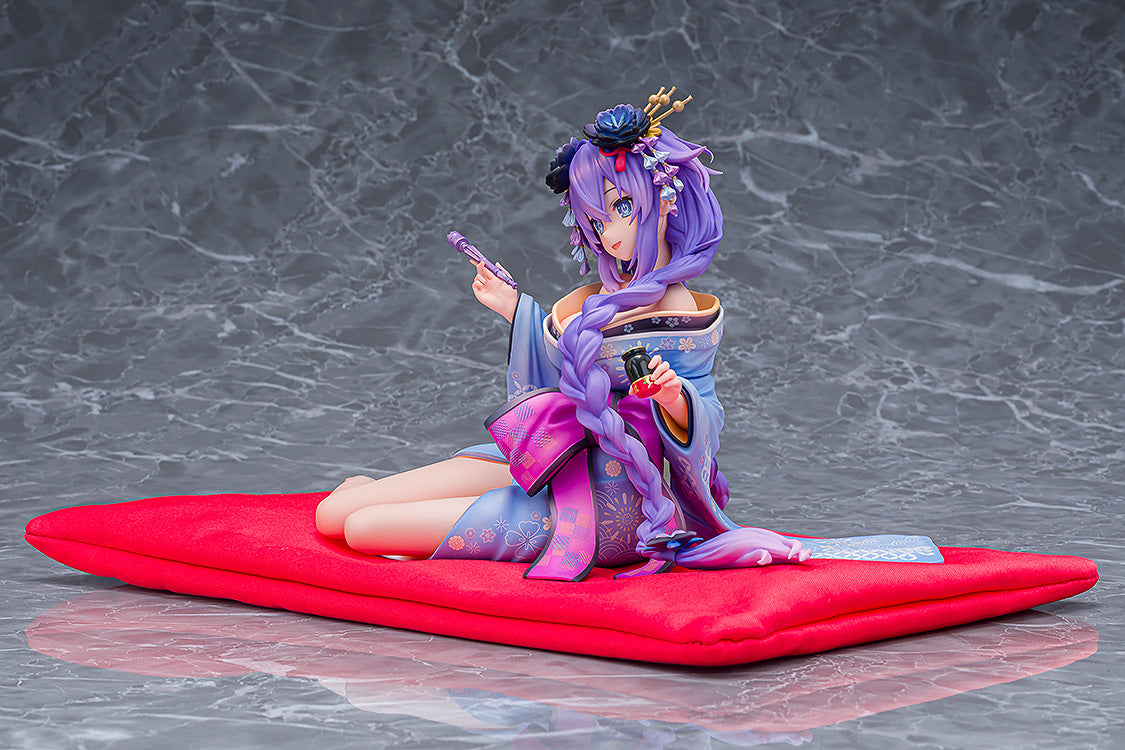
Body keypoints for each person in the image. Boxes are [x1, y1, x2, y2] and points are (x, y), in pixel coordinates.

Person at [316, 89, 808, 580]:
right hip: (554, 453)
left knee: (362, 529)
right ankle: (367, 490)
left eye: (621, 208)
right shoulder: (599, 295)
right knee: (331, 516)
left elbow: (708, 420)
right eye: (595, 220)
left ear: (664, 199)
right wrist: (515, 310)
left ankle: (383, 505)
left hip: (613, 502)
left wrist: (673, 399)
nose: (608, 234)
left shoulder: (679, 309)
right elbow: (558, 379)